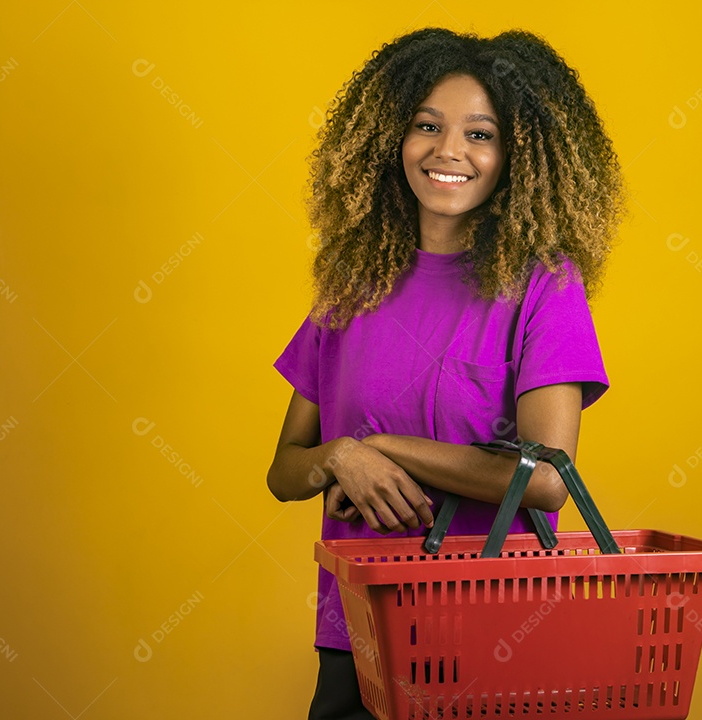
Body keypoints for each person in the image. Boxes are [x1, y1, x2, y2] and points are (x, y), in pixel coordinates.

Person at [266, 27, 626, 720]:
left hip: (491, 636)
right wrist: (339, 458)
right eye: (426, 126)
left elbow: (546, 479)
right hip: (357, 636)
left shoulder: (543, 288)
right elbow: (285, 472)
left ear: (520, 157)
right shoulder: (351, 286)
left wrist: (381, 449)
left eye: (480, 134)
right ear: (390, 139)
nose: (448, 151)